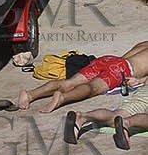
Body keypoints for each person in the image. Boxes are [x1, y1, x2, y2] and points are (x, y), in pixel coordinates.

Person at [16, 40, 148, 117]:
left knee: (69, 83)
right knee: (92, 88)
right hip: (121, 69)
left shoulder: (144, 43)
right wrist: (140, 81)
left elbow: (126, 57)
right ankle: (62, 98)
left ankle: (30, 94)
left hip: (109, 60)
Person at [68, 81, 148, 149]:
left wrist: (138, 80)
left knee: (116, 115)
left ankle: (83, 117)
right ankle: (127, 122)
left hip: (144, 91)